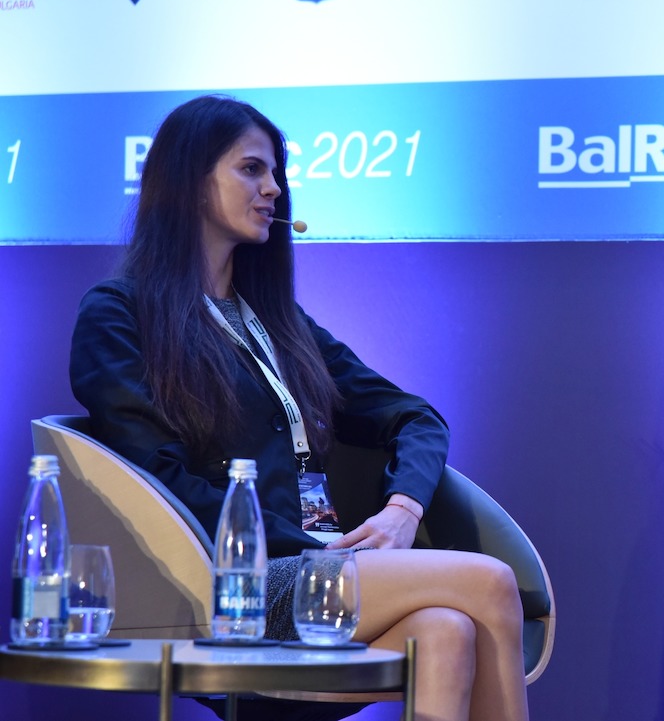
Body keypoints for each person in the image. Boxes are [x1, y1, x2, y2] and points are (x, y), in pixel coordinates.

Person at [69, 95, 529, 721]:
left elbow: (414, 417)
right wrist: (318, 553)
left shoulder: (280, 323)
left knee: (446, 629)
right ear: (191, 181)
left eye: (276, 173)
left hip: (322, 569)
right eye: (251, 169)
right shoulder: (119, 314)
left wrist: (402, 510)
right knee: (491, 581)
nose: (274, 189)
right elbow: (159, 484)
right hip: (238, 582)